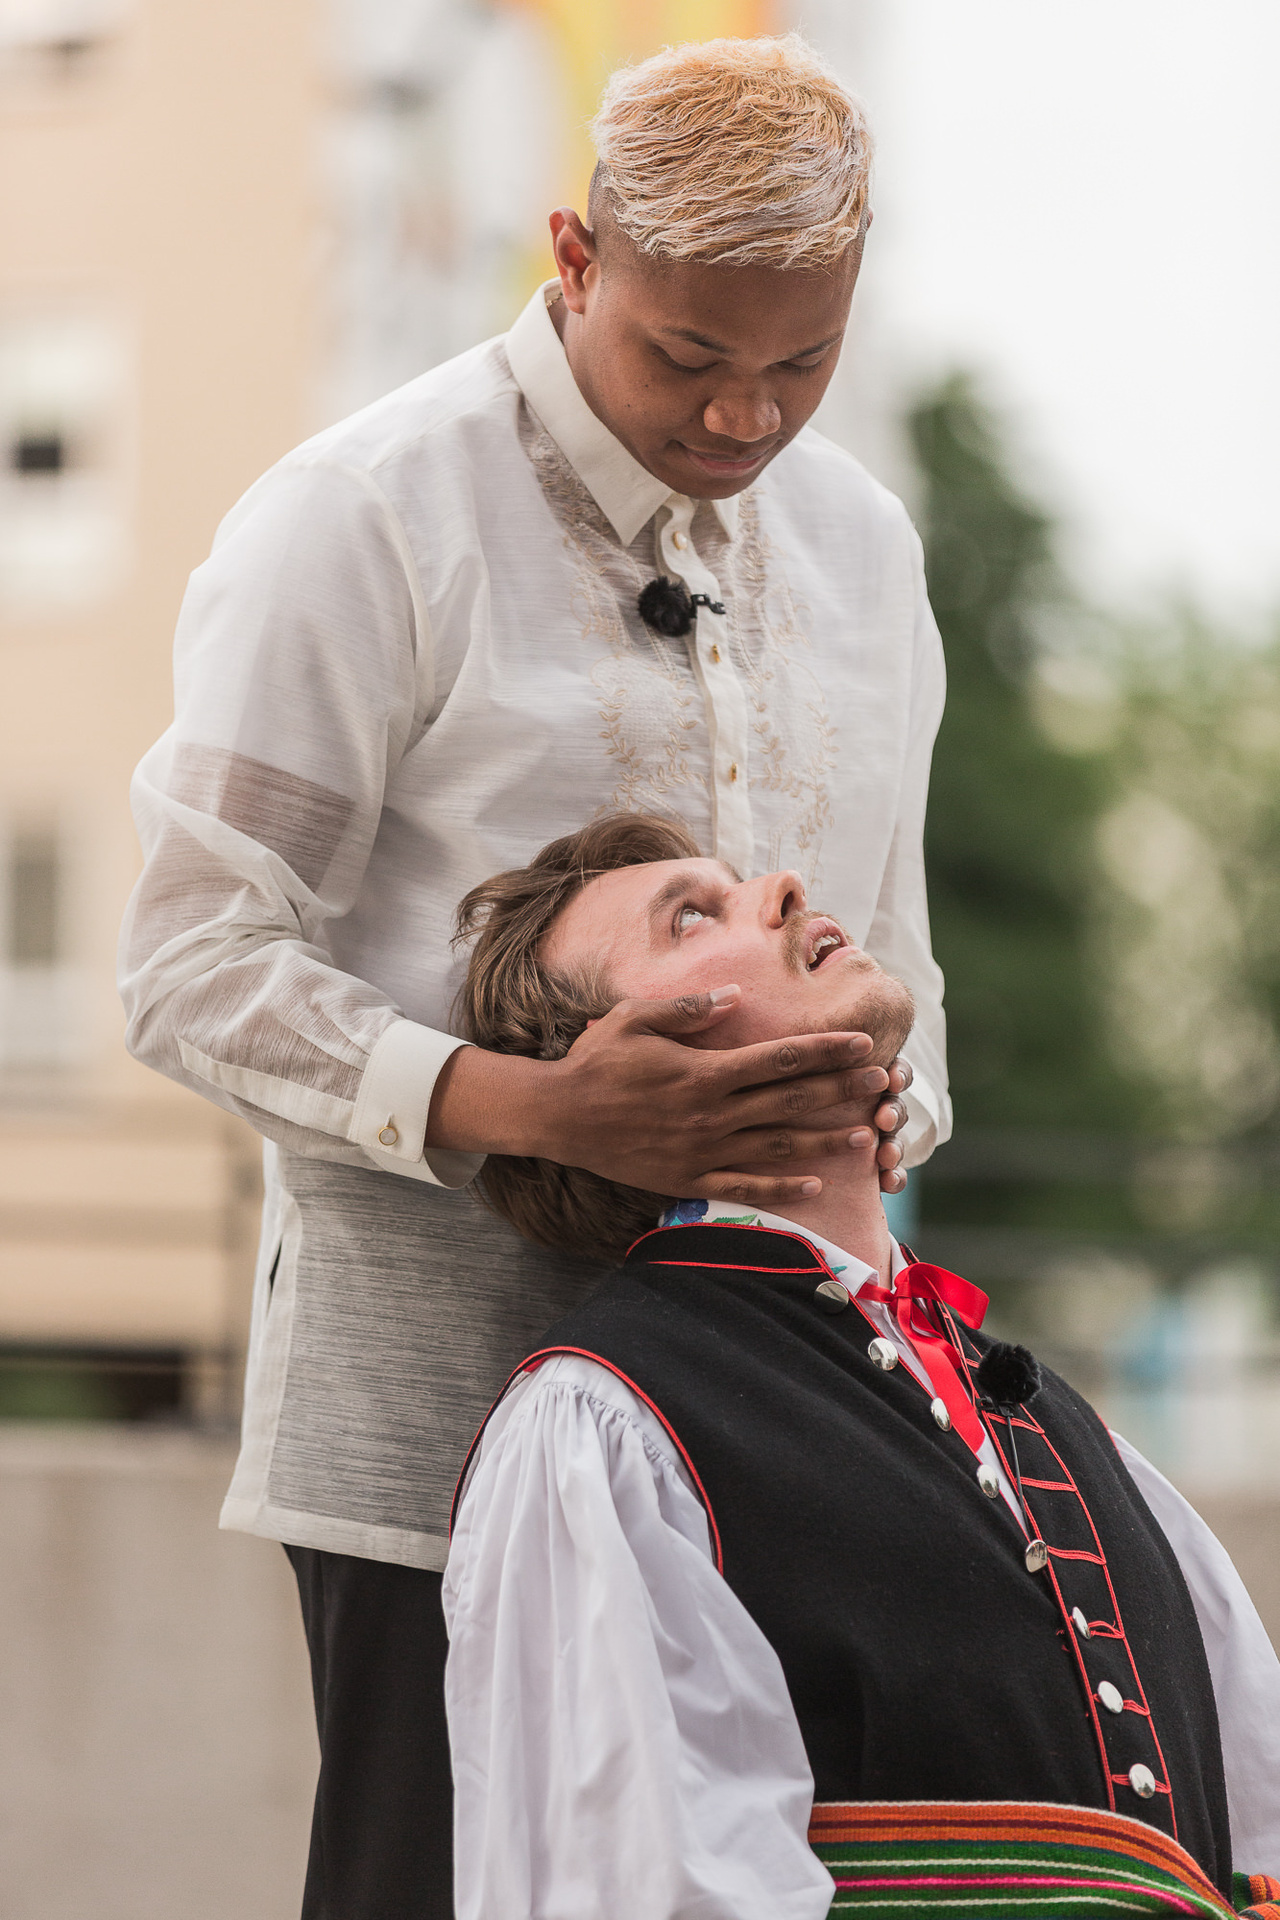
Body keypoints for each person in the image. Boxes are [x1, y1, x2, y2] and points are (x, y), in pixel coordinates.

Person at [119, 35, 950, 1918]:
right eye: (690, 353)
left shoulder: (867, 548)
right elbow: (185, 963)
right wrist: (542, 1111)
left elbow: (902, 968)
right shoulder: (364, 514)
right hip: (445, 1439)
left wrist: (880, 1092)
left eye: (802, 362)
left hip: (805, 1433)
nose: (743, 415)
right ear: (573, 257)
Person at [444, 812, 1280, 1920]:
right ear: (617, 1078)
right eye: (689, 918)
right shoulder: (605, 1425)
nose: (785, 887)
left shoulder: (1067, 1431)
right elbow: (632, 1890)